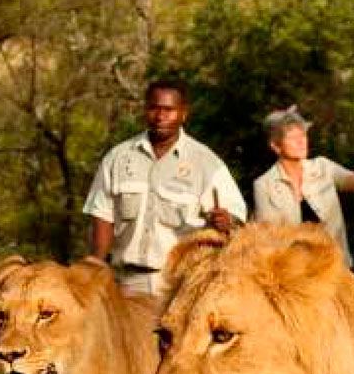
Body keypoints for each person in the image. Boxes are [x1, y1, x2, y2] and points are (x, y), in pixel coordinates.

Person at [85, 80, 246, 296]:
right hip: (126, 283)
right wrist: (96, 267)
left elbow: (237, 220)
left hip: (181, 284)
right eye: (154, 108)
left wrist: (228, 222)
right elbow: (102, 215)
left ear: (183, 114)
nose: (160, 117)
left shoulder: (207, 163)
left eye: (169, 110)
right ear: (145, 110)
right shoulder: (118, 157)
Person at [250, 106, 354, 267]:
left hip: (336, 267)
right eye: (292, 137)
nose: (301, 141)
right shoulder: (264, 185)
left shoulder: (322, 167)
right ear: (276, 146)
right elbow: (268, 236)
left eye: (303, 135)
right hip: (295, 274)